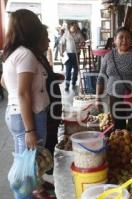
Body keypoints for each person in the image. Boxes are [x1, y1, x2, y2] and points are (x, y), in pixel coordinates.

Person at [1, 9, 50, 199]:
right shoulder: (26, 55)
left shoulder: (13, 53)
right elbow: (23, 93)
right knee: (26, 170)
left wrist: (14, 96)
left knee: (25, 163)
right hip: (27, 117)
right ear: (30, 29)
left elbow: (4, 82)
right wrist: (30, 130)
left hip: (17, 114)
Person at [96, 27, 132, 132]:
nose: (124, 40)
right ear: (115, 40)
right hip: (114, 98)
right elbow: (101, 77)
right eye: (121, 37)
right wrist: (97, 98)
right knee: (118, 129)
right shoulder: (108, 56)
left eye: (128, 38)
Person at [36, 25, 64, 175]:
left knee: (51, 137)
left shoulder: (40, 56)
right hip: (45, 108)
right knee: (46, 141)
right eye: (45, 37)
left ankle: (47, 172)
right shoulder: (31, 58)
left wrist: (54, 77)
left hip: (51, 106)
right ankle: (45, 174)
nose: (48, 40)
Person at [60, 21, 84, 92]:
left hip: (76, 54)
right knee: (68, 70)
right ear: (70, 27)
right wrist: (61, 52)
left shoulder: (78, 33)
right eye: (73, 26)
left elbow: (83, 41)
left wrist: (81, 44)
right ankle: (67, 85)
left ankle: (73, 82)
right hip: (68, 54)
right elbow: (62, 43)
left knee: (76, 69)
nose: (75, 27)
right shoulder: (66, 34)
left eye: (76, 26)